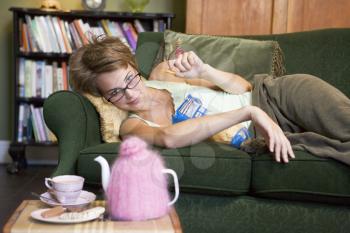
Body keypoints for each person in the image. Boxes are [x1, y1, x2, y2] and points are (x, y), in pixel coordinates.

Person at [69, 36, 350, 165]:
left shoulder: (164, 73)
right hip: (257, 132)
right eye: (115, 93)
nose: (129, 94)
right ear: (104, 97)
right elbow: (168, 138)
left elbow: (244, 86)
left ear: (133, 66)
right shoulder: (132, 126)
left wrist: (204, 71)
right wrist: (249, 114)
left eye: (129, 79)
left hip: (274, 95)